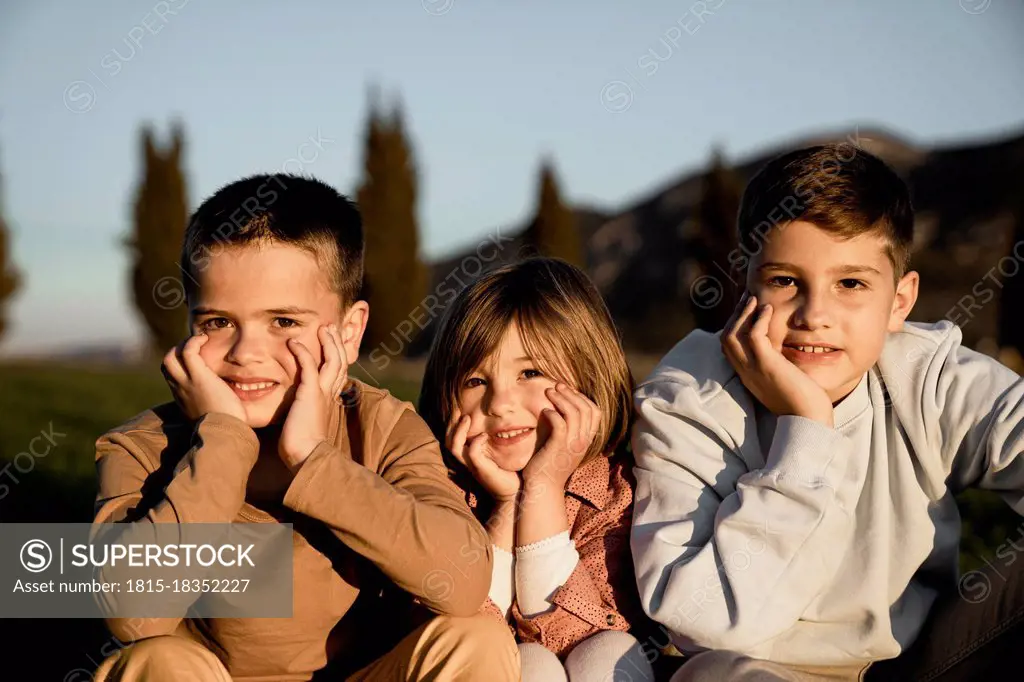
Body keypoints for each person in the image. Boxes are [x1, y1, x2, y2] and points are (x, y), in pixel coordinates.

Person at [91, 174, 519, 681]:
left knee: (476, 639)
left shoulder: (383, 430)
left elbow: (464, 581)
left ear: (349, 332)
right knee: (153, 661)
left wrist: (315, 460)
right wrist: (223, 439)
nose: (246, 353)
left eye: (284, 322)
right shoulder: (144, 448)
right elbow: (131, 613)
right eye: (217, 323)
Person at [630, 144, 1024, 681]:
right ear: (746, 284)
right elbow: (702, 621)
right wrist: (807, 431)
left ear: (900, 302)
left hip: (922, 664)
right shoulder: (687, 400)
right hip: (761, 670)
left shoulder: (929, 379)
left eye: (851, 284)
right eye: (786, 281)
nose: (815, 315)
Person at [418, 257, 658, 681]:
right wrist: (509, 504)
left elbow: (574, 634)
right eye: (475, 381)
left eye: (530, 372)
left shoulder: (617, 495)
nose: (499, 403)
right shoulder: (438, 492)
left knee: (609, 650)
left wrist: (543, 488)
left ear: (589, 376)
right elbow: (464, 637)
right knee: (526, 665)